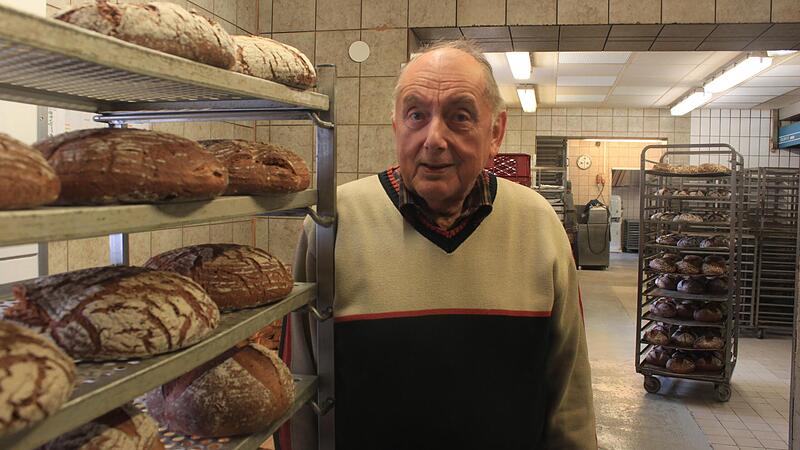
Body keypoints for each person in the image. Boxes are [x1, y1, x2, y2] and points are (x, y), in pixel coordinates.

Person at [289, 39, 596, 450]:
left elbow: (570, 397)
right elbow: (298, 385)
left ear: (496, 131)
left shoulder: (538, 225)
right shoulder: (331, 223)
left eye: (460, 116)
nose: (434, 138)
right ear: (396, 124)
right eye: (416, 115)